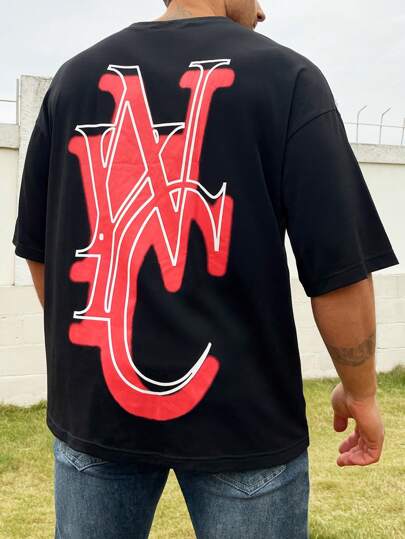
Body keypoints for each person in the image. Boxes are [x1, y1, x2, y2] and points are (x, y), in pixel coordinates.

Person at [12, 0, 399, 537]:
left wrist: (92, 349)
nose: (262, 12)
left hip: (96, 412)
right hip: (245, 420)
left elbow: (40, 250)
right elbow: (340, 270)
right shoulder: (288, 78)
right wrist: (361, 392)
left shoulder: (74, 79)